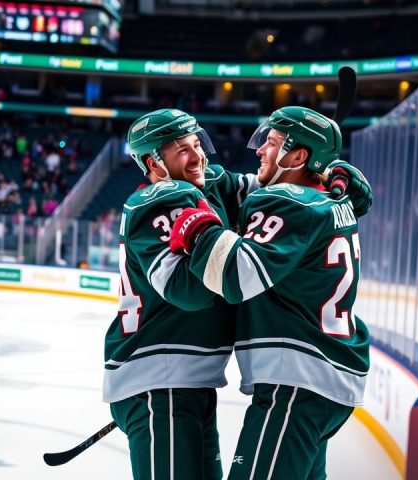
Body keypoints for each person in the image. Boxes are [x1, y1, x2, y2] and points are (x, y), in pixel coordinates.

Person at [169, 106, 371, 480]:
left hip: (296, 384)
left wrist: (199, 231)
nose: (260, 149)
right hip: (326, 378)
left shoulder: (285, 201)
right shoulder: (330, 200)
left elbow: (233, 276)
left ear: (298, 157)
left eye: (273, 143)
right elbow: (232, 184)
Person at [103, 108, 261, 480]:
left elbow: (275, 191)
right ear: (153, 163)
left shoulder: (210, 182)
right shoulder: (158, 201)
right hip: (161, 383)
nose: (197, 157)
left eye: (197, 144)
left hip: (188, 383)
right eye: (182, 150)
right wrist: (209, 237)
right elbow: (188, 291)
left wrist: (322, 175)